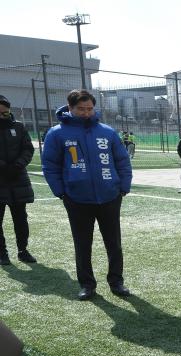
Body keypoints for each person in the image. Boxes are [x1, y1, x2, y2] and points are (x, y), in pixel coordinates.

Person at [42, 89, 132, 300]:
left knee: (114, 242)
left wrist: (123, 186)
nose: (86, 113)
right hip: (76, 198)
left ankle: (116, 281)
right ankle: (87, 284)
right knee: (82, 243)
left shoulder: (107, 132)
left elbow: (122, 161)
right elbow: (50, 165)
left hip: (110, 196)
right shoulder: (57, 134)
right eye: (81, 109)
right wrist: (61, 192)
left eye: (89, 109)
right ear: (70, 108)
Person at [0, 95, 36, 265]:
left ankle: (23, 250)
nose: (2, 116)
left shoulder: (19, 127)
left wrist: (17, 165)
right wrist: (3, 166)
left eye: (4, 112)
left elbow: (28, 148)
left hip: (18, 178)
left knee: (21, 218)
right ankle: (2, 253)